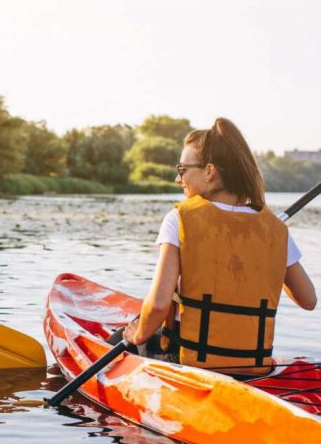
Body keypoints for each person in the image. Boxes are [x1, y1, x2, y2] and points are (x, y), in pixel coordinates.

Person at [123, 118, 316, 375]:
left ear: (210, 171)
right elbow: (308, 300)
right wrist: (267, 255)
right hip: (252, 366)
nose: (177, 178)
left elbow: (158, 305)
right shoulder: (273, 229)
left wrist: (138, 335)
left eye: (182, 169)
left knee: (120, 339)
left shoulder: (179, 219)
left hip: (189, 362)